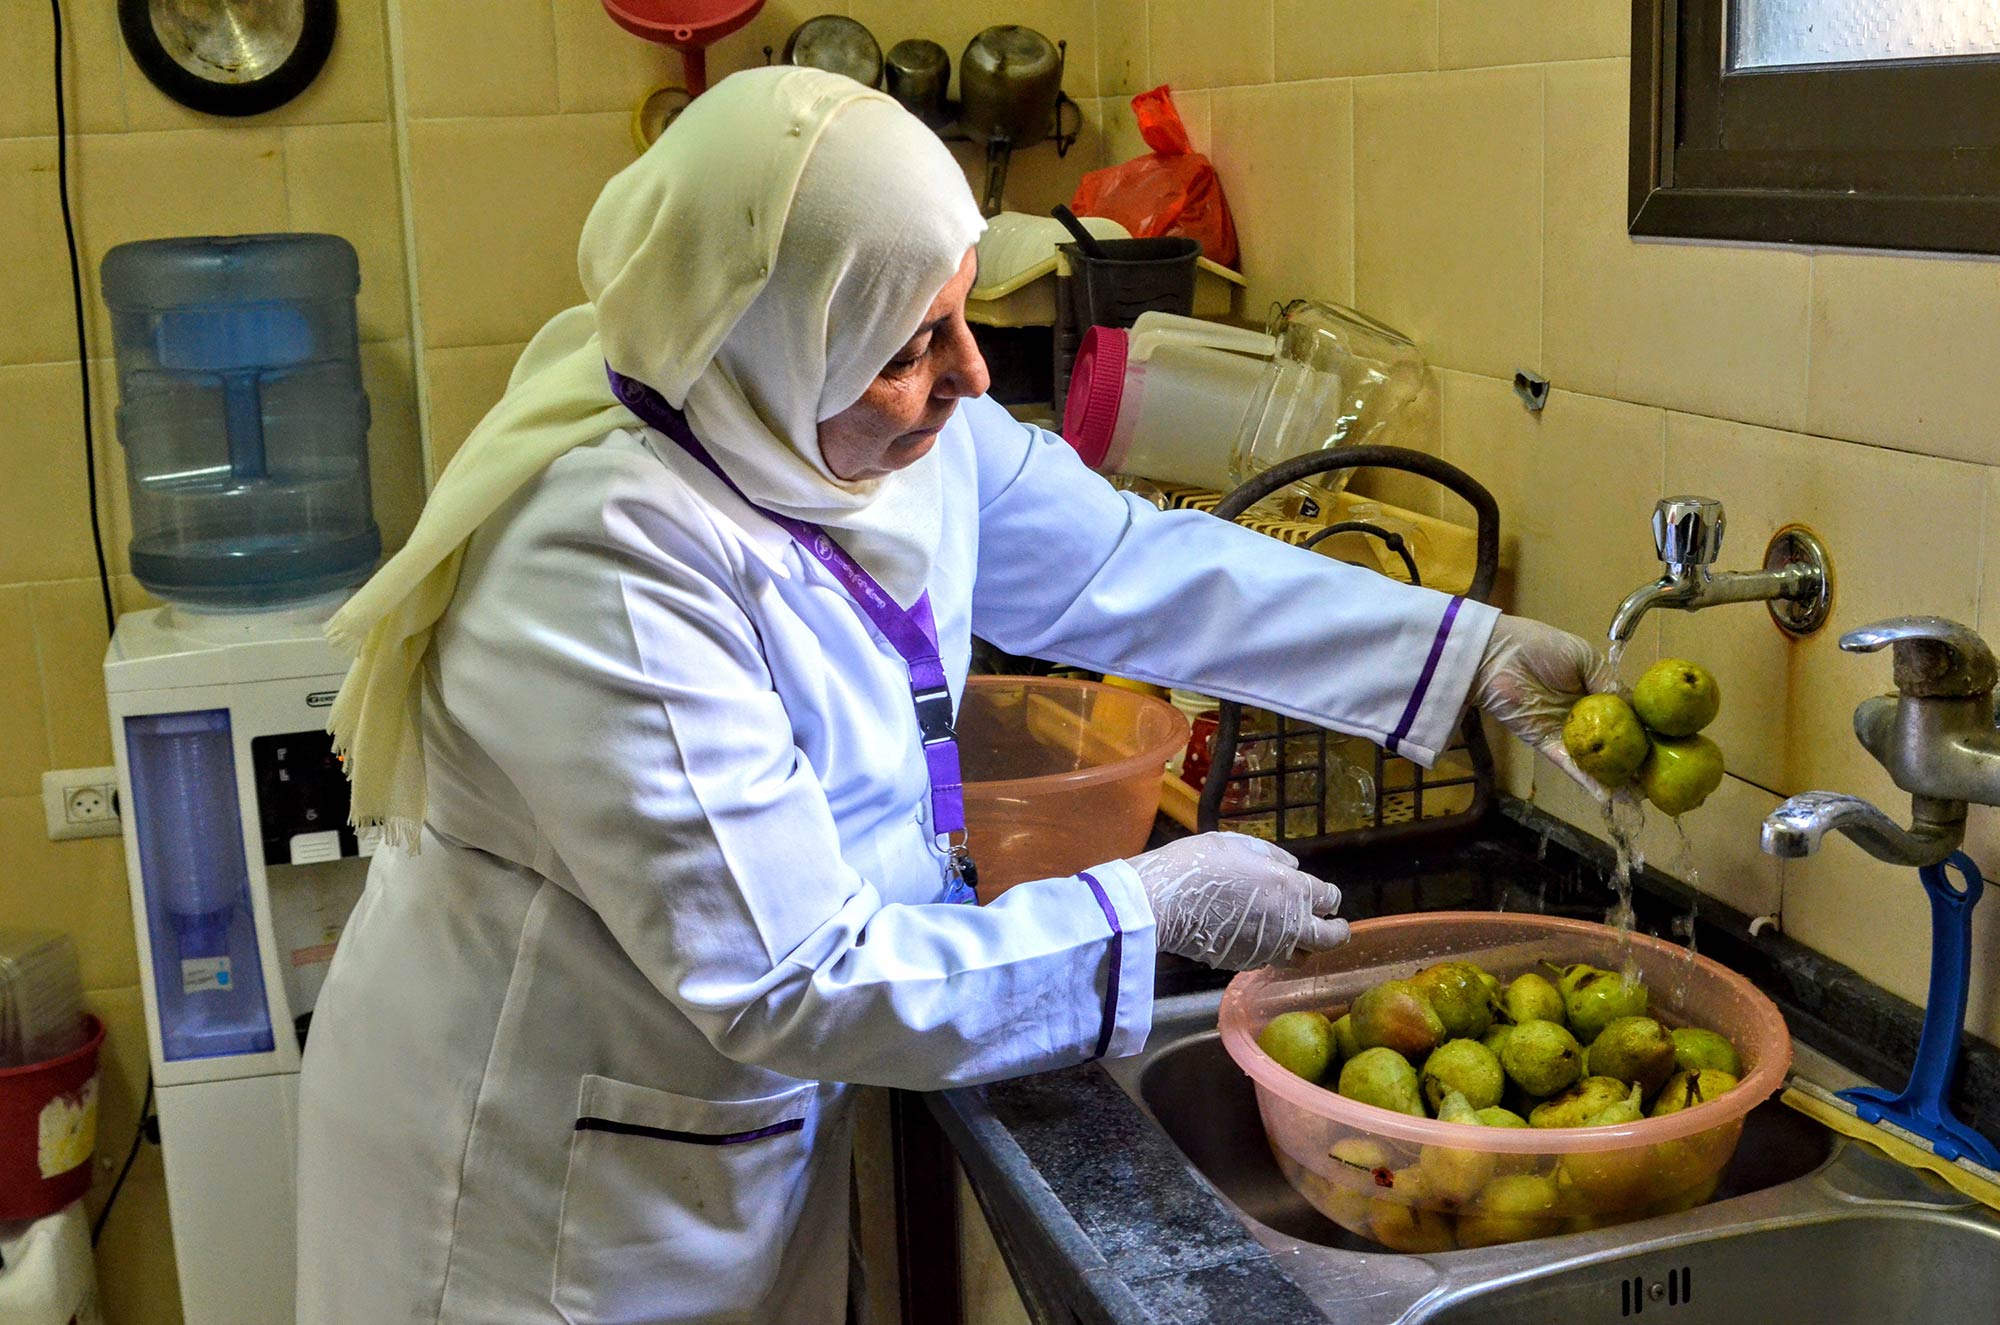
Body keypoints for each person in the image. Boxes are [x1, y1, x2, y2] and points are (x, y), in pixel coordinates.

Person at [296, 67, 1611, 1324]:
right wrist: (1142, 912)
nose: (971, 376)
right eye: (913, 342)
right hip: (545, 1193)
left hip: (719, 1123)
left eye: (961, 311)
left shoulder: (842, 417)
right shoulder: (603, 559)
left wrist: (1463, 651)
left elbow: (1124, 563)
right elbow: (795, 971)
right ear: (765, 343)